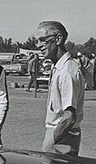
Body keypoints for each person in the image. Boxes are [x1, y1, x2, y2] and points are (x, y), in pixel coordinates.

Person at [35, 20, 85, 156]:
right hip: (59, 134)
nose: (39, 45)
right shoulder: (58, 67)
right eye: (37, 41)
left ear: (58, 39)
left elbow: (69, 116)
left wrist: (50, 142)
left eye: (43, 40)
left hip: (63, 137)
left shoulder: (67, 71)